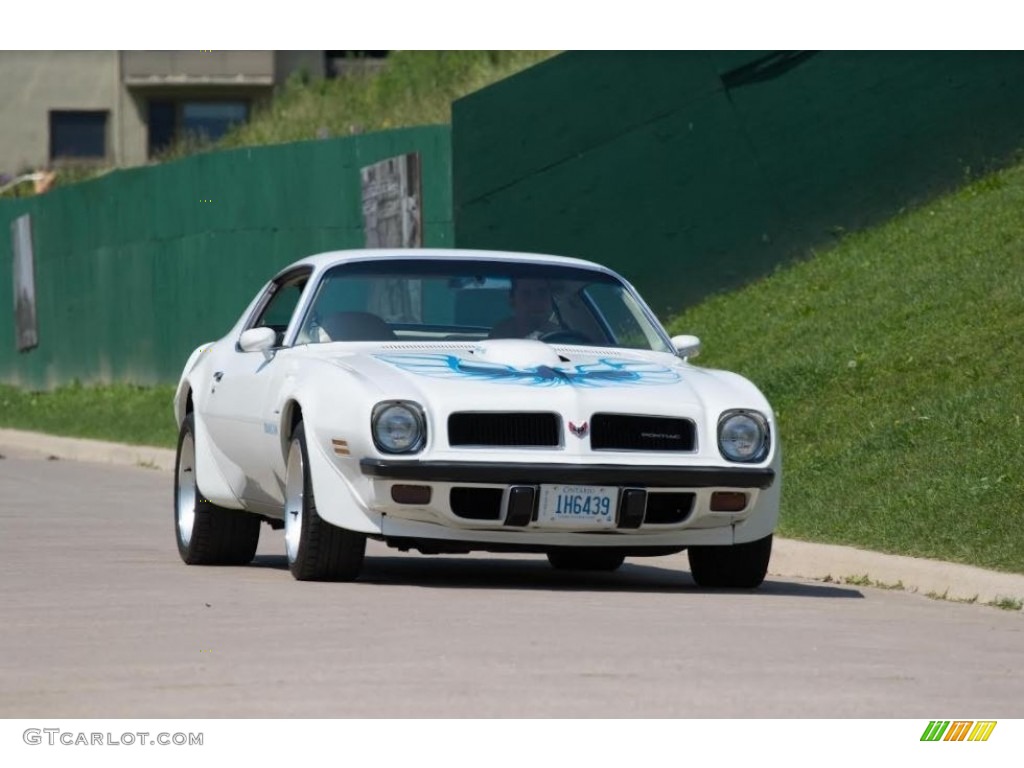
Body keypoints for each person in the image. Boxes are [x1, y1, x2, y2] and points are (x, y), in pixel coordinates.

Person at [488, 278, 563, 339]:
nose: (535, 302)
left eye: (542, 293)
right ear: (513, 300)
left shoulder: (561, 336)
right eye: (526, 294)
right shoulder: (500, 336)